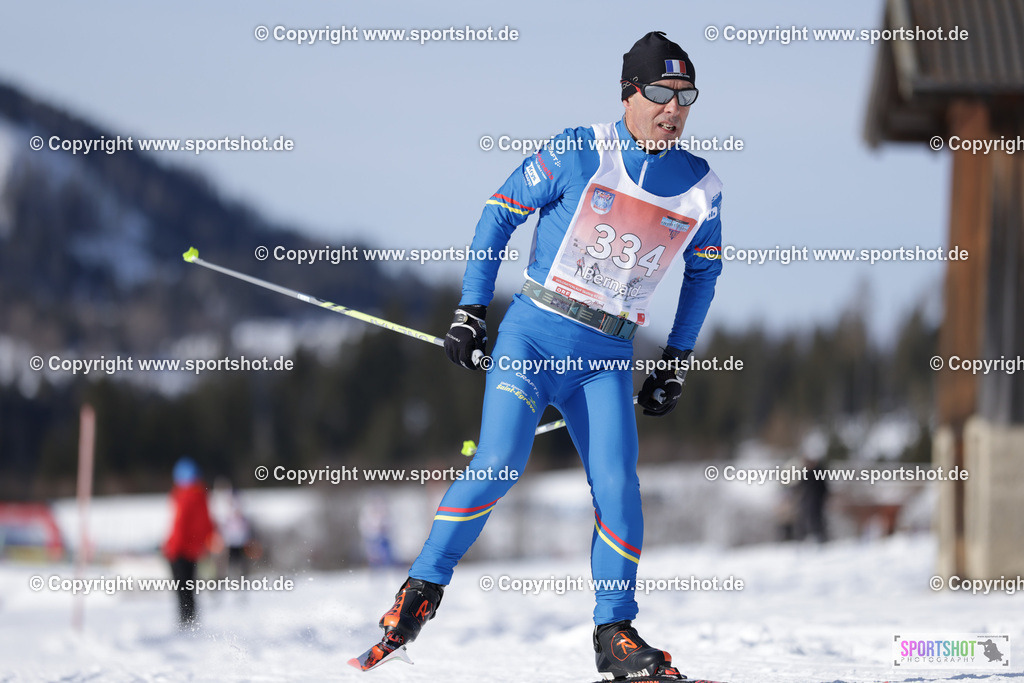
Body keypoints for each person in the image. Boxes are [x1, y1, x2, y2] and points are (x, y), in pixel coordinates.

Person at [366, 31, 723, 680]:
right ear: (629, 94)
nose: (675, 108)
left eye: (686, 96)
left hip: (606, 353)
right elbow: (499, 210)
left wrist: (675, 360)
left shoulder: (701, 187)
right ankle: (419, 591)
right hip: (533, 336)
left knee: (618, 486)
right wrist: (471, 309)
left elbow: (703, 275)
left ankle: (614, 632)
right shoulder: (577, 149)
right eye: (663, 93)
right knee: (500, 462)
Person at [163, 457, 217, 628]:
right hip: (194, 551)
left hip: (179, 551)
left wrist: (172, 548)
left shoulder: (183, 497)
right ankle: (191, 622)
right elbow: (208, 523)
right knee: (189, 589)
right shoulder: (202, 496)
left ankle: (186, 623)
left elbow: (179, 525)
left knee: (182, 590)